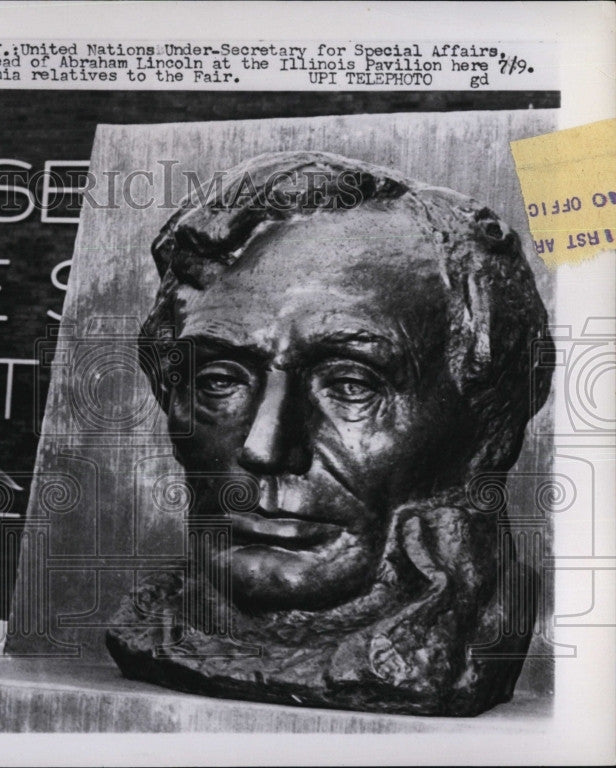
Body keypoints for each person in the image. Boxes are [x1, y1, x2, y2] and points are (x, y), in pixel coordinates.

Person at [107, 151, 553, 716]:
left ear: (485, 432)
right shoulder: (159, 620)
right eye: (220, 380)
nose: (264, 450)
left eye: (351, 386)